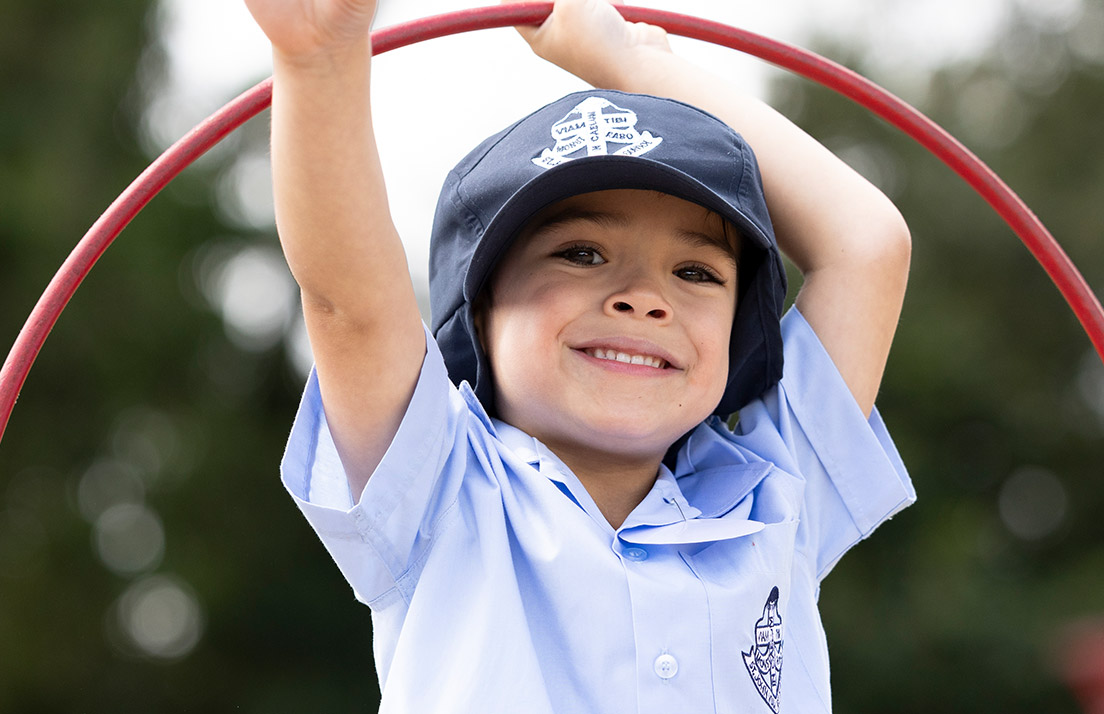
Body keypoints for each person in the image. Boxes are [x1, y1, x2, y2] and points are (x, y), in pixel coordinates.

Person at [244, 0, 915, 710]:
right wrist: (319, 61)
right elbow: (351, 307)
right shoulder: (438, 486)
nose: (643, 298)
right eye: (581, 253)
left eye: (696, 273)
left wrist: (631, 65)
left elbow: (866, 247)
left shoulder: (775, 495)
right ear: (479, 311)